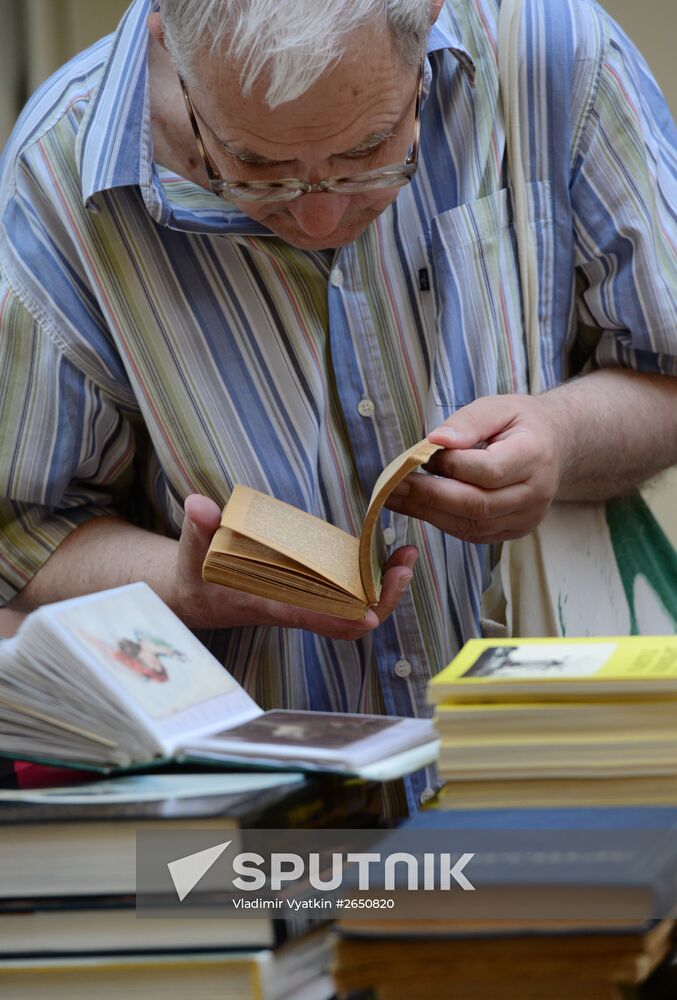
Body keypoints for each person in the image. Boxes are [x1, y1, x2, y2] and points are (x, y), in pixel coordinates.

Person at [0, 0, 675, 808]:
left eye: (368, 153)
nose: (318, 216)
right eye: (252, 166)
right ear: (162, 36)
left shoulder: (555, 58)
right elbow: (25, 532)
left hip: (564, 788)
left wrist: (561, 438)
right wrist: (180, 586)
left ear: (427, 17)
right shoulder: (55, 174)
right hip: (252, 847)